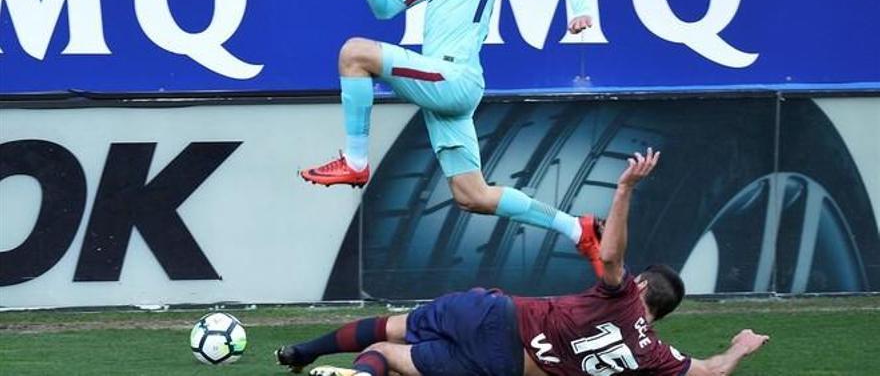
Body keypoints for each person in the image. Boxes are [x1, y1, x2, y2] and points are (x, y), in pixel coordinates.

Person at [299, 0, 604, 271]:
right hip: (443, 87)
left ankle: (356, 160)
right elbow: (385, 8)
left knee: (354, 53)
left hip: (455, 77)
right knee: (471, 195)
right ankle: (577, 229)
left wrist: (579, 8)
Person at [279, 148, 770, 375]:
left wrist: (623, 190)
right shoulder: (653, 358)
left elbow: (614, 254)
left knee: (390, 330)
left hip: (493, 313)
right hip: (502, 365)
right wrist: (741, 347)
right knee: (391, 360)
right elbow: (708, 372)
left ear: (641, 287)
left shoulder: (622, 300)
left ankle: (304, 351)